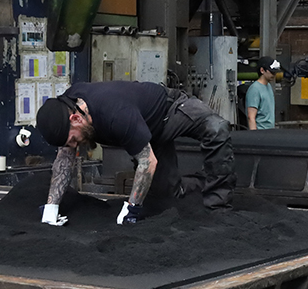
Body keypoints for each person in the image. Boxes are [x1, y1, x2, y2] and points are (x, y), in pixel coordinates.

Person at [34, 81, 235, 225]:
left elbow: (147, 162)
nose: (74, 144)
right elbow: (64, 159)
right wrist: (51, 207)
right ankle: (203, 182)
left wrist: (132, 208)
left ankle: (217, 204)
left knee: (217, 128)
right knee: (165, 196)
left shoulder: (114, 112)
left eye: (73, 139)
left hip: (169, 111)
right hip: (144, 133)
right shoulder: (68, 106)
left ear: (76, 119)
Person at [246, 60, 280, 129]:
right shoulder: (255, 89)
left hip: (269, 131)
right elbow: (251, 117)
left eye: (275, 72)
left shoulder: (269, 86)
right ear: (262, 70)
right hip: (260, 132)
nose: (274, 75)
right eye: (272, 72)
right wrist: (255, 137)